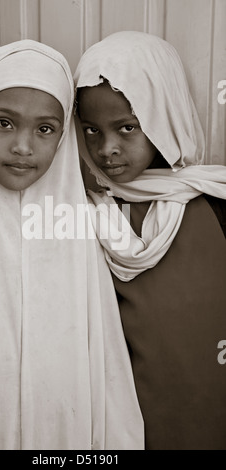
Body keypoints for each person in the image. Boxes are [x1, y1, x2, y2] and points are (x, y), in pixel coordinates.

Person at [0, 39, 144, 450]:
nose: (23, 147)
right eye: (4, 123)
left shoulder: (78, 228)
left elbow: (104, 361)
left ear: (63, 138)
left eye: (45, 129)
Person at [74, 30, 226, 450]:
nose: (106, 149)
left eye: (128, 128)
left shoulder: (214, 204)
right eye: (90, 130)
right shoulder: (88, 215)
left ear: (167, 117)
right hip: (132, 424)